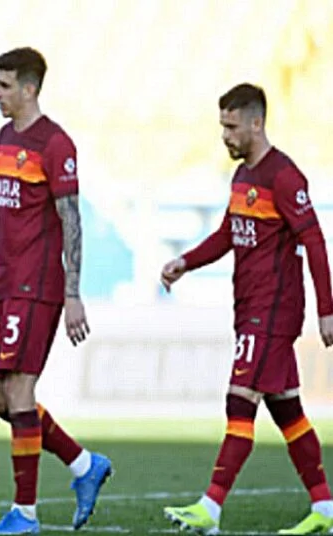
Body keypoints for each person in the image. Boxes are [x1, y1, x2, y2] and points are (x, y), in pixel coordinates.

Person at [0, 47, 112, 535]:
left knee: (21, 389)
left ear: (29, 88)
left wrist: (75, 292)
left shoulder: (56, 144)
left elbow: (71, 221)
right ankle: (84, 465)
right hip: (4, 284)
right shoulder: (3, 138)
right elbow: (2, 213)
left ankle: (25, 514)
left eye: (3, 85)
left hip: (37, 285)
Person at [161, 83, 333, 535]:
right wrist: (186, 262)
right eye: (222, 126)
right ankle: (325, 510)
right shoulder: (242, 178)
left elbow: (314, 242)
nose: (225, 136)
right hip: (250, 308)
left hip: (273, 311)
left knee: (239, 402)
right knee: (287, 411)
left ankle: (210, 509)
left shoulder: (284, 176)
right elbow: (226, 235)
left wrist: (326, 310)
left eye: (232, 126)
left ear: (257, 123)